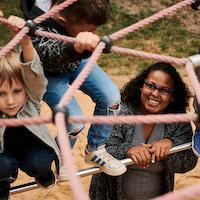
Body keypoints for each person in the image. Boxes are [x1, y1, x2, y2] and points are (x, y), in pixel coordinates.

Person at [19, 0, 127, 176]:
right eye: (90, 30)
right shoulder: (36, 23)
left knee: (111, 98)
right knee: (74, 121)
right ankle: (61, 156)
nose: (95, 34)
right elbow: (49, 56)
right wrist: (77, 48)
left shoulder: (73, 11)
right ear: (62, 20)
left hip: (77, 59)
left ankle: (96, 148)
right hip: (47, 72)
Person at [89, 62, 198, 200]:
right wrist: (128, 150)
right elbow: (98, 152)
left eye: (164, 90)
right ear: (141, 86)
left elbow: (188, 163)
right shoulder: (119, 111)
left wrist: (171, 145)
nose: (155, 93)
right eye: (150, 86)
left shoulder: (178, 120)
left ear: (173, 97)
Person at [0, 15, 61, 199]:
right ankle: (4, 181)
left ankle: (42, 174)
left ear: (26, 88)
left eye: (17, 91)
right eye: (1, 94)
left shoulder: (31, 98)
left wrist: (26, 41)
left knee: (40, 161)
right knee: (2, 167)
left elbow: (34, 75)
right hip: (3, 154)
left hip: (33, 150)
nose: (10, 101)